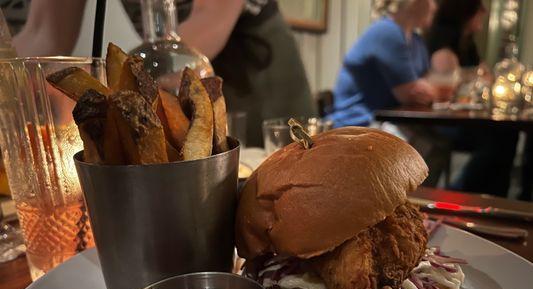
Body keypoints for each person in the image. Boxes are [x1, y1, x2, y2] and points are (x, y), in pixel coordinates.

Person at [12, 0, 316, 147]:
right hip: (158, 70)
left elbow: (210, 19)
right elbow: (43, 33)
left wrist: (119, 92)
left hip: (251, 74)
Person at [425, 0, 518, 197]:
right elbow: (452, 81)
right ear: (465, 12)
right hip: (443, 119)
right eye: (480, 7)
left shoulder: (467, 42)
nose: (484, 11)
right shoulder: (442, 41)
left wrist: (472, 76)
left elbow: (485, 75)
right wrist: (474, 76)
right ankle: (460, 194)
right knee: (497, 140)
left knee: (508, 132)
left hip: (462, 115)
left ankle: (494, 197)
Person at [328, 0, 437, 128]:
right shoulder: (387, 31)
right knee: (432, 144)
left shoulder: (416, 40)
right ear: (414, 3)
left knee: (440, 142)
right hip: (358, 122)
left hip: (390, 121)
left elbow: (431, 84)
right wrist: (427, 88)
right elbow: (410, 94)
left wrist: (429, 88)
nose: (434, 6)